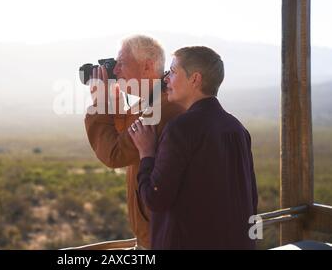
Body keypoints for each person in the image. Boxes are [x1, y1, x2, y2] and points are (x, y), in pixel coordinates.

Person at [128, 46, 258, 249]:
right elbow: (251, 198)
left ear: (195, 79)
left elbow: (155, 198)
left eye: (172, 72)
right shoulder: (237, 128)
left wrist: (146, 153)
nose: (166, 79)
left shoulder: (180, 129)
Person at [84, 35, 185, 249]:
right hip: (155, 235)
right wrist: (112, 97)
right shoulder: (152, 102)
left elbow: (114, 153)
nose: (116, 71)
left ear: (147, 66)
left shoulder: (162, 109)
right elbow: (122, 132)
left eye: (121, 63)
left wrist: (99, 103)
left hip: (162, 240)